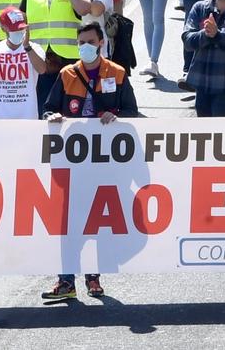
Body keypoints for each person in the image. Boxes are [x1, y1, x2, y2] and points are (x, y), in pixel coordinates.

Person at [40, 19, 139, 303]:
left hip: (106, 163)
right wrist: (52, 117)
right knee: (70, 223)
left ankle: (94, 277)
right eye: (81, 43)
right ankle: (66, 280)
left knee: (98, 223)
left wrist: (116, 117)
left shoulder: (117, 73)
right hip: (73, 164)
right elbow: (47, 110)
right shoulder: (67, 74)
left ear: (101, 44)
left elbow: (132, 112)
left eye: (90, 42)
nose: (85, 47)